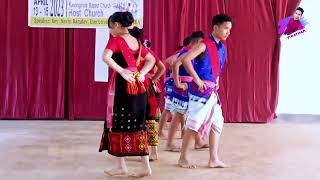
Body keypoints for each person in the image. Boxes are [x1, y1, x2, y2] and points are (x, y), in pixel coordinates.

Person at [99, 11, 155, 177]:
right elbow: (151, 60)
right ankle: (145, 167)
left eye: (110, 27)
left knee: (117, 123)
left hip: (124, 87)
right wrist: (143, 73)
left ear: (116, 25)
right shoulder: (136, 41)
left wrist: (122, 71)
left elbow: (105, 57)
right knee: (139, 124)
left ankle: (121, 166)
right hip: (138, 85)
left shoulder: (116, 40)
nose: (110, 31)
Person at [177, 14, 232, 169]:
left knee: (217, 123)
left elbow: (217, 69)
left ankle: (213, 159)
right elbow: (186, 60)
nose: (228, 32)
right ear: (216, 27)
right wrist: (197, 79)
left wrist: (218, 80)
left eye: (230, 29)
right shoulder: (204, 44)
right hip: (200, 92)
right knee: (194, 123)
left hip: (211, 91)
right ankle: (183, 158)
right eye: (226, 28)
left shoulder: (222, 47)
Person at [166, 31, 208, 152]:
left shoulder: (193, 53)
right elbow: (174, 64)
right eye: (200, 43)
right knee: (179, 115)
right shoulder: (186, 52)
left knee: (192, 114)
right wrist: (177, 83)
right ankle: (169, 143)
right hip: (183, 87)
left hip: (190, 86)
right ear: (196, 41)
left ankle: (198, 141)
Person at [129, 26, 166, 161]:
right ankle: (152, 152)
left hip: (138, 88)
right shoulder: (147, 51)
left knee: (142, 120)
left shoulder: (132, 53)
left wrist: (150, 79)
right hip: (147, 87)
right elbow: (162, 68)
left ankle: (143, 151)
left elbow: (162, 68)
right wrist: (153, 79)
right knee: (149, 120)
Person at [158, 37, 192, 139]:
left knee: (181, 109)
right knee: (169, 108)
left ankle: (183, 131)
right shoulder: (182, 52)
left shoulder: (187, 52)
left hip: (178, 82)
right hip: (173, 83)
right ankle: (160, 131)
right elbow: (169, 61)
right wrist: (177, 80)